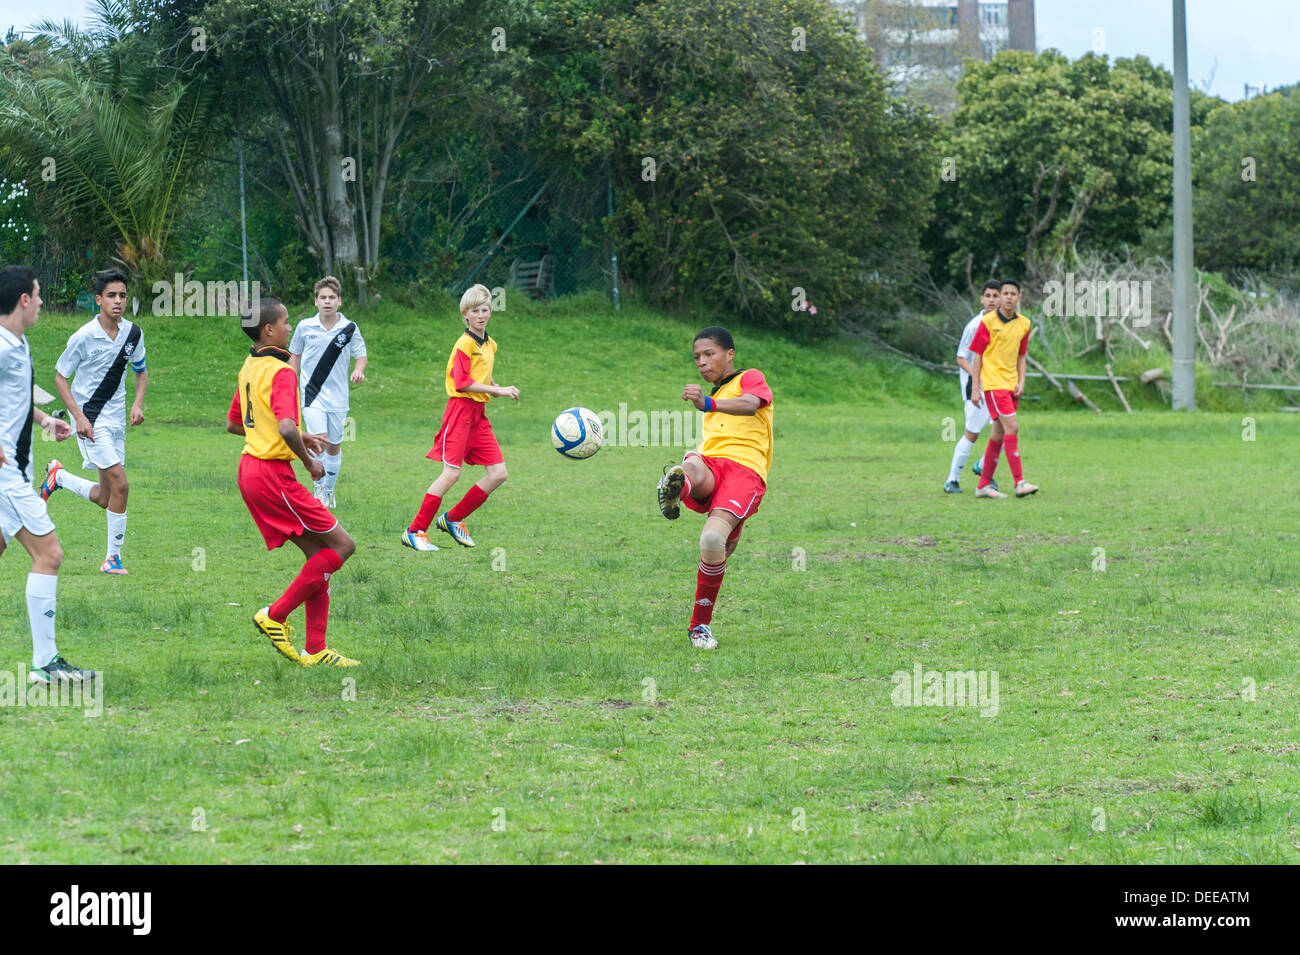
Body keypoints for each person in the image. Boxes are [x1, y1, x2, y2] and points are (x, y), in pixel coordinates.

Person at [227, 297, 359, 666]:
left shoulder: (250, 365)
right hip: (272, 475)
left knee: (320, 555)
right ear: (269, 329)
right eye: (285, 321)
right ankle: (276, 614)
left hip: (251, 470)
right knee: (343, 546)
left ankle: (316, 650)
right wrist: (310, 461)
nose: (290, 327)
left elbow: (235, 423)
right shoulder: (283, 371)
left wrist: (297, 435)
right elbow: (284, 426)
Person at [0, 265, 94, 683]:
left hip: (14, 470)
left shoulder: (16, 344)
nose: (41, 302)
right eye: (37, 295)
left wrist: (42, 419)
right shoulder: (2, 347)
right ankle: (46, 663)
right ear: (23, 299)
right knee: (49, 554)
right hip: (7, 478)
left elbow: (12, 399)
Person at [655, 327, 773, 650]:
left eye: (709, 354)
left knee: (711, 541)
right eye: (697, 358)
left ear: (729, 354)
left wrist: (707, 403)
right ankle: (674, 489)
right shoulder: (715, 397)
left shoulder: (749, 377)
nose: (702, 363)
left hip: (745, 470)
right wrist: (709, 402)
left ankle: (699, 627)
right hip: (713, 464)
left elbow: (750, 405)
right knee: (691, 462)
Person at [42, 268, 147, 574]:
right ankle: (112, 559)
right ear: (99, 300)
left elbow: (141, 370)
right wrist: (78, 418)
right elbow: (60, 377)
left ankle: (58, 477)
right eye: (111, 296)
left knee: (105, 497)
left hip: (117, 424)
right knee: (122, 486)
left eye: (123, 296)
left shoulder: (133, 334)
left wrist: (138, 403)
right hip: (91, 422)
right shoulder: (84, 337)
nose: (118, 301)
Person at [401, 284, 518, 552]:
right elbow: (463, 382)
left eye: (485, 309)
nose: (481, 315)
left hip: (479, 416)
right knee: (451, 474)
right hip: (460, 412)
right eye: (475, 311)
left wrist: (497, 389)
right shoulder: (464, 343)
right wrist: (496, 390)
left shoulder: (490, 344)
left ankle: (453, 519)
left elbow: (482, 378)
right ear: (465, 315)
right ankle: (415, 531)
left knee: (498, 473)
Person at [288, 275, 367, 508]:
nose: (327, 301)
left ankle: (329, 490)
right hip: (311, 395)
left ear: (339, 301)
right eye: (322, 297)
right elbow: (295, 355)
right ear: (316, 302)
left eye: (332, 297)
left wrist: (358, 371)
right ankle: (319, 491)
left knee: (334, 445)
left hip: (338, 397)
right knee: (318, 441)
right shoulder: (305, 327)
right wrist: (289, 380)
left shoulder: (349, 328)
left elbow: (360, 354)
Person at [970, 279, 1039, 499]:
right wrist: (975, 388)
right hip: (993, 384)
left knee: (998, 433)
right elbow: (977, 356)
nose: (1008, 297)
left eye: (1013, 293)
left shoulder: (1024, 324)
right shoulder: (988, 322)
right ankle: (1019, 482)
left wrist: (1021, 381)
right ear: (999, 297)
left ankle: (983, 486)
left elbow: (1021, 355)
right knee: (1013, 426)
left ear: (1019, 297)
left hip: (1010, 384)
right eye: (1005, 293)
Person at [944, 280, 1001, 494]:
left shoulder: (1003, 324)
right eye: (989, 296)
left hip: (997, 386)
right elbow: (961, 358)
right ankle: (952, 480)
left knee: (1006, 429)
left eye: (996, 296)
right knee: (972, 433)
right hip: (975, 387)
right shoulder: (975, 325)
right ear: (982, 299)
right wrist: (978, 380)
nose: (992, 300)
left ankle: (982, 466)